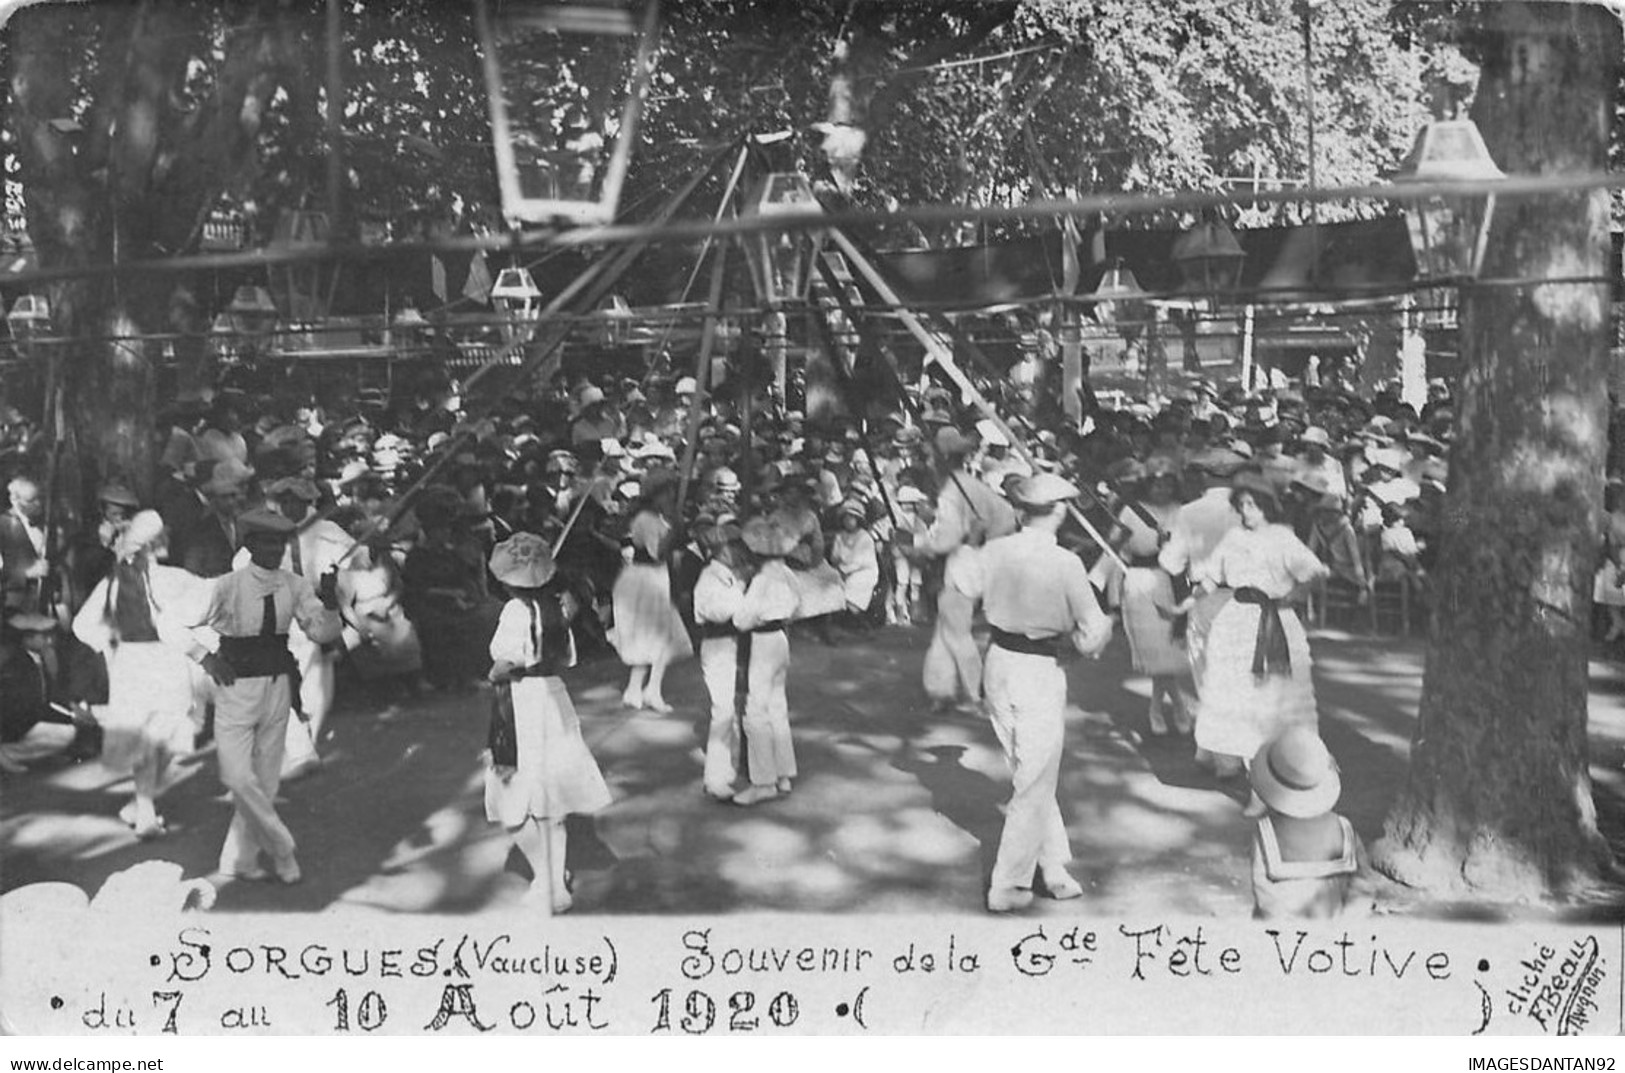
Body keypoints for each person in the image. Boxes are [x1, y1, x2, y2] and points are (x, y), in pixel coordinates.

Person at [967, 473, 1112, 912]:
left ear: (1019, 511)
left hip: (997, 662)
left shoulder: (992, 551)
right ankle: (1009, 884)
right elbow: (1091, 629)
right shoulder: (1066, 562)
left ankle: (1051, 866)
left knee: (1030, 772)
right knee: (1033, 778)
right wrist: (1094, 639)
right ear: (1061, 511)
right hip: (1037, 668)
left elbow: (964, 589)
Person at [202, 508, 342, 884]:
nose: (275, 549)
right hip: (235, 689)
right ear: (248, 545)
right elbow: (172, 621)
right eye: (265, 541)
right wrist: (205, 657)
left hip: (278, 685)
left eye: (280, 542)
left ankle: (239, 860)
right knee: (236, 776)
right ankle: (283, 848)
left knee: (265, 782)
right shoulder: (226, 586)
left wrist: (329, 603)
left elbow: (322, 633)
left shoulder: (294, 585)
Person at [485, 532, 612, 913]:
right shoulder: (558, 607)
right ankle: (554, 883)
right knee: (547, 795)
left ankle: (549, 879)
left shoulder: (514, 612)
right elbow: (567, 656)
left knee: (513, 794)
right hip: (553, 696)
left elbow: (505, 662)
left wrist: (494, 674)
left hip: (522, 700)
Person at [72, 512, 214, 838]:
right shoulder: (171, 579)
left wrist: (109, 645)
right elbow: (208, 602)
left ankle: (140, 805)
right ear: (154, 544)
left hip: (135, 664)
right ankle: (146, 809)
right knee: (159, 737)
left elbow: (83, 625)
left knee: (155, 739)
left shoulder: (117, 581)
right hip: (161, 662)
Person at [1186, 476, 1329, 792]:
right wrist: (1188, 600)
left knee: (1273, 695)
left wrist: (1294, 595)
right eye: (1241, 506)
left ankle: (1276, 774)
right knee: (1239, 693)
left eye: (1252, 504)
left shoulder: (1282, 537)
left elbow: (1315, 571)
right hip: (1236, 620)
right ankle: (1241, 764)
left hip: (1274, 620)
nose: (1247, 512)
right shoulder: (1232, 538)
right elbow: (1211, 578)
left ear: (1267, 505)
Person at [914, 426, 1017, 711]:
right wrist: (988, 544)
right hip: (973, 563)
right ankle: (941, 689)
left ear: (943, 458)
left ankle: (979, 694)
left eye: (934, 458)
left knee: (957, 633)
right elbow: (1007, 516)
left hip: (962, 565)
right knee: (945, 629)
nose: (930, 463)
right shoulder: (972, 485)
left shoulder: (952, 491)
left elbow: (946, 539)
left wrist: (920, 545)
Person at [1249, 726, 1370, 919]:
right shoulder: (1343, 829)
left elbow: (1266, 895)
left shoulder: (1267, 833)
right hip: (1335, 927)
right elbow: (1362, 886)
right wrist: (1347, 924)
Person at [1112, 459, 1191, 735]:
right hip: (1141, 582)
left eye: (1168, 484)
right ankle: (1175, 706)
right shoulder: (1131, 512)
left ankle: (1159, 707)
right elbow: (1116, 547)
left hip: (1173, 582)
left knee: (1171, 648)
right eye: (1157, 484)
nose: (1163, 489)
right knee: (1155, 651)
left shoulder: (1182, 511)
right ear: (1148, 484)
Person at [731, 516, 802, 806]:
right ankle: (784, 772)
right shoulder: (788, 574)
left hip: (762, 641)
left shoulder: (761, 580)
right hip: (781, 640)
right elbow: (799, 608)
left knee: (756, 710)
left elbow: (741, 619)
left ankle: (763, 782)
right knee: (777, 705)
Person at [610, 469, 692, 712]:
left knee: (657, 635)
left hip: (656, 577)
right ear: (656, 495)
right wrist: (675, 529)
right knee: (656, 635)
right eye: (668, 493)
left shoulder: (657, 518)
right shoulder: (646, 519)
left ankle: (639, 690)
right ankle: (648, 690)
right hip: (644, 579)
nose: (671, 497)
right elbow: (657, 553)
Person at [690, 514, 748, 800]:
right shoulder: (710, 579)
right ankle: (715, 777)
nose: (737, 552)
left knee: (735, 707)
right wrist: (741, 593)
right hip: (718, 644)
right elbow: (719, 612)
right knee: (722, 709)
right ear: (719, 550)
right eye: (732, 546)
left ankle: (732, 765)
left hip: (733, 642)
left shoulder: (729, 576)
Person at [0, 610, 101, 773]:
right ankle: (8, 752)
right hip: (16, 726)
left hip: (29, 720)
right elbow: (32, 706)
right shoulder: (17, 666)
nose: (49, 640)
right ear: (28, 639)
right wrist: (70, 717)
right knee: (66, 734)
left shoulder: (38, 659)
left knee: (71, 729)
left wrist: (72, 707)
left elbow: (52, 694)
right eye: (43, 636)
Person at [0, 475, 51, 612]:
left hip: (49, 600)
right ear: (14, 500)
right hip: (16, 605)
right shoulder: (2, 526)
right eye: (31, 500)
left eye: (40, 498)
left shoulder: (49, 521)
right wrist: (26, 573)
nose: (38, 504)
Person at [828, 499, 880, 630]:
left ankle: (857, 621)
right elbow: (834, 556)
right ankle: (838, 621)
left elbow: (860, 561)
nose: (848, 521)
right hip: (842, 569)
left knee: (854, 585)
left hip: (864, 571)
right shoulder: (840, 536)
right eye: (845, 518)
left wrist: (844, 570)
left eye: (852, 518)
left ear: (858, 520)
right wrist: (838, 566)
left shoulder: (865, 537)